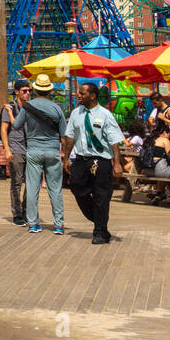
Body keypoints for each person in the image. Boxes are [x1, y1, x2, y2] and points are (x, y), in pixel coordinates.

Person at [64, 81, 125, 244]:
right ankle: (100, 220)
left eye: (82, 93)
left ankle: (99, 232)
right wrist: (66, 158)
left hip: (101, 161)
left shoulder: (105, 115)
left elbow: (114, 141)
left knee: (101, 196)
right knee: (76, 187)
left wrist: (117, 163)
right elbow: (70, 136)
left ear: (92, 96)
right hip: (81, 160)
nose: (78, 95)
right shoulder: (76, 113)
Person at [12, 74, 68, 234]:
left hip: (34, 151)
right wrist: (65, 155)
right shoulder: (57, 108)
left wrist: (10, 114)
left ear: (35, 90)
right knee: (55, 189)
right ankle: (59, 225)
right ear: (49, 91)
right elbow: (64, 135)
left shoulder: (28, 107)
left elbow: (16, 125)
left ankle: (33, 224)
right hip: (52, 151)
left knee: (32, 188)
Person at [1, 79, 31, 225]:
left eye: (29, 90)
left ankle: (27, 211)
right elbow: (3, 129)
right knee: (17, 182)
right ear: (17, 92)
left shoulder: (31, 108)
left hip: (30, 149)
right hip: (16, 148)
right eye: (24, 91)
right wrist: (7, 149)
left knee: (31, 183)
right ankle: (17, 213)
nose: (28, 93)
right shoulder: (9, 108)